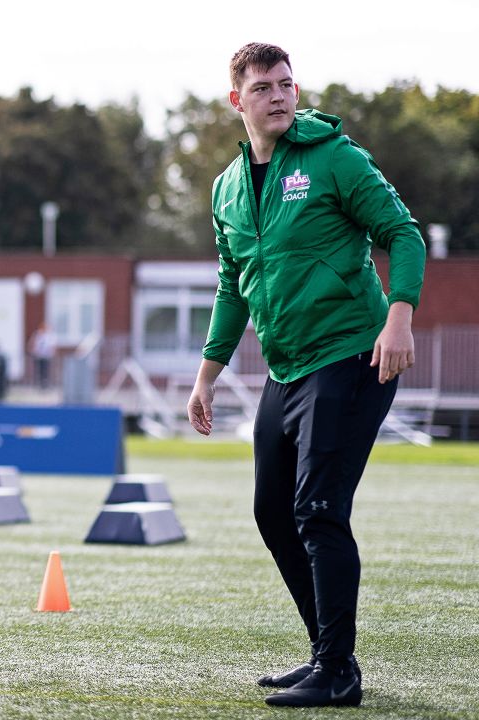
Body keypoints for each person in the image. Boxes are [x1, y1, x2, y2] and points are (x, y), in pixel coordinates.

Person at [186, 43, 425, 709]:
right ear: (239, 100)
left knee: (318, 509)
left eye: (287, 84)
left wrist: (399, 317)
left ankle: (338, 672)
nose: (280, 95)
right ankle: (328, 655)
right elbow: (234, 285)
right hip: (287, 370)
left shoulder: (335, 158)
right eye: (263, 87)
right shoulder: (228, 187)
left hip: (353, 354)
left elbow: (403, 234)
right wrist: (207, 375)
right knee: (272, 511)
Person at [28, 322, 55, 390]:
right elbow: (32, 343)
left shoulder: (49, 335)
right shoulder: (37, 335)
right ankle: (38, 384)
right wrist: (33, 350)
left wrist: (50, 351)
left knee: (45, 371)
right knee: (38, 370)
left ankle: (45, 384)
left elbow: (51, 345)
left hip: (46, 356)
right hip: (38, 356)